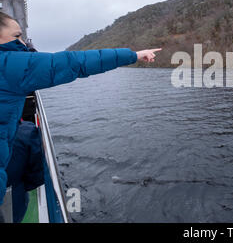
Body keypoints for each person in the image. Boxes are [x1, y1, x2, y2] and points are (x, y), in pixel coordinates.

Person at [0, 11, 162, 218]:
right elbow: (74, 62)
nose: (22, 43)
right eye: (16, 37)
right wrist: (134, 55)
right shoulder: (7, 64)